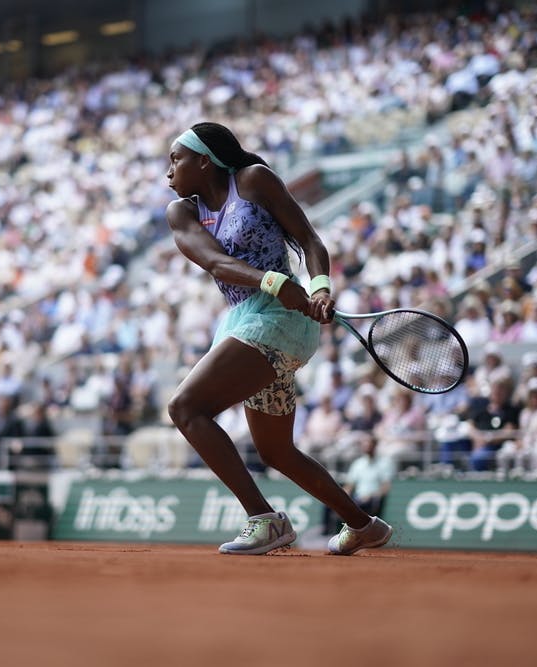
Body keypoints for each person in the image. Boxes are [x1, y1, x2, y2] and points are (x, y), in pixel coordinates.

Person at [164, 122, 392, 556]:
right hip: (246, 318)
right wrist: (272, 281)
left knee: (185, 407)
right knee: (276, 450)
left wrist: (320, 286)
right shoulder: (182, 213)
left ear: (203, 160)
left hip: (281, 322)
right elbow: (215, 262)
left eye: (175, 159)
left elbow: (308, 239)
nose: (168, 173)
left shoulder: (253, 180)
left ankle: (264, 520)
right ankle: (364, 525)